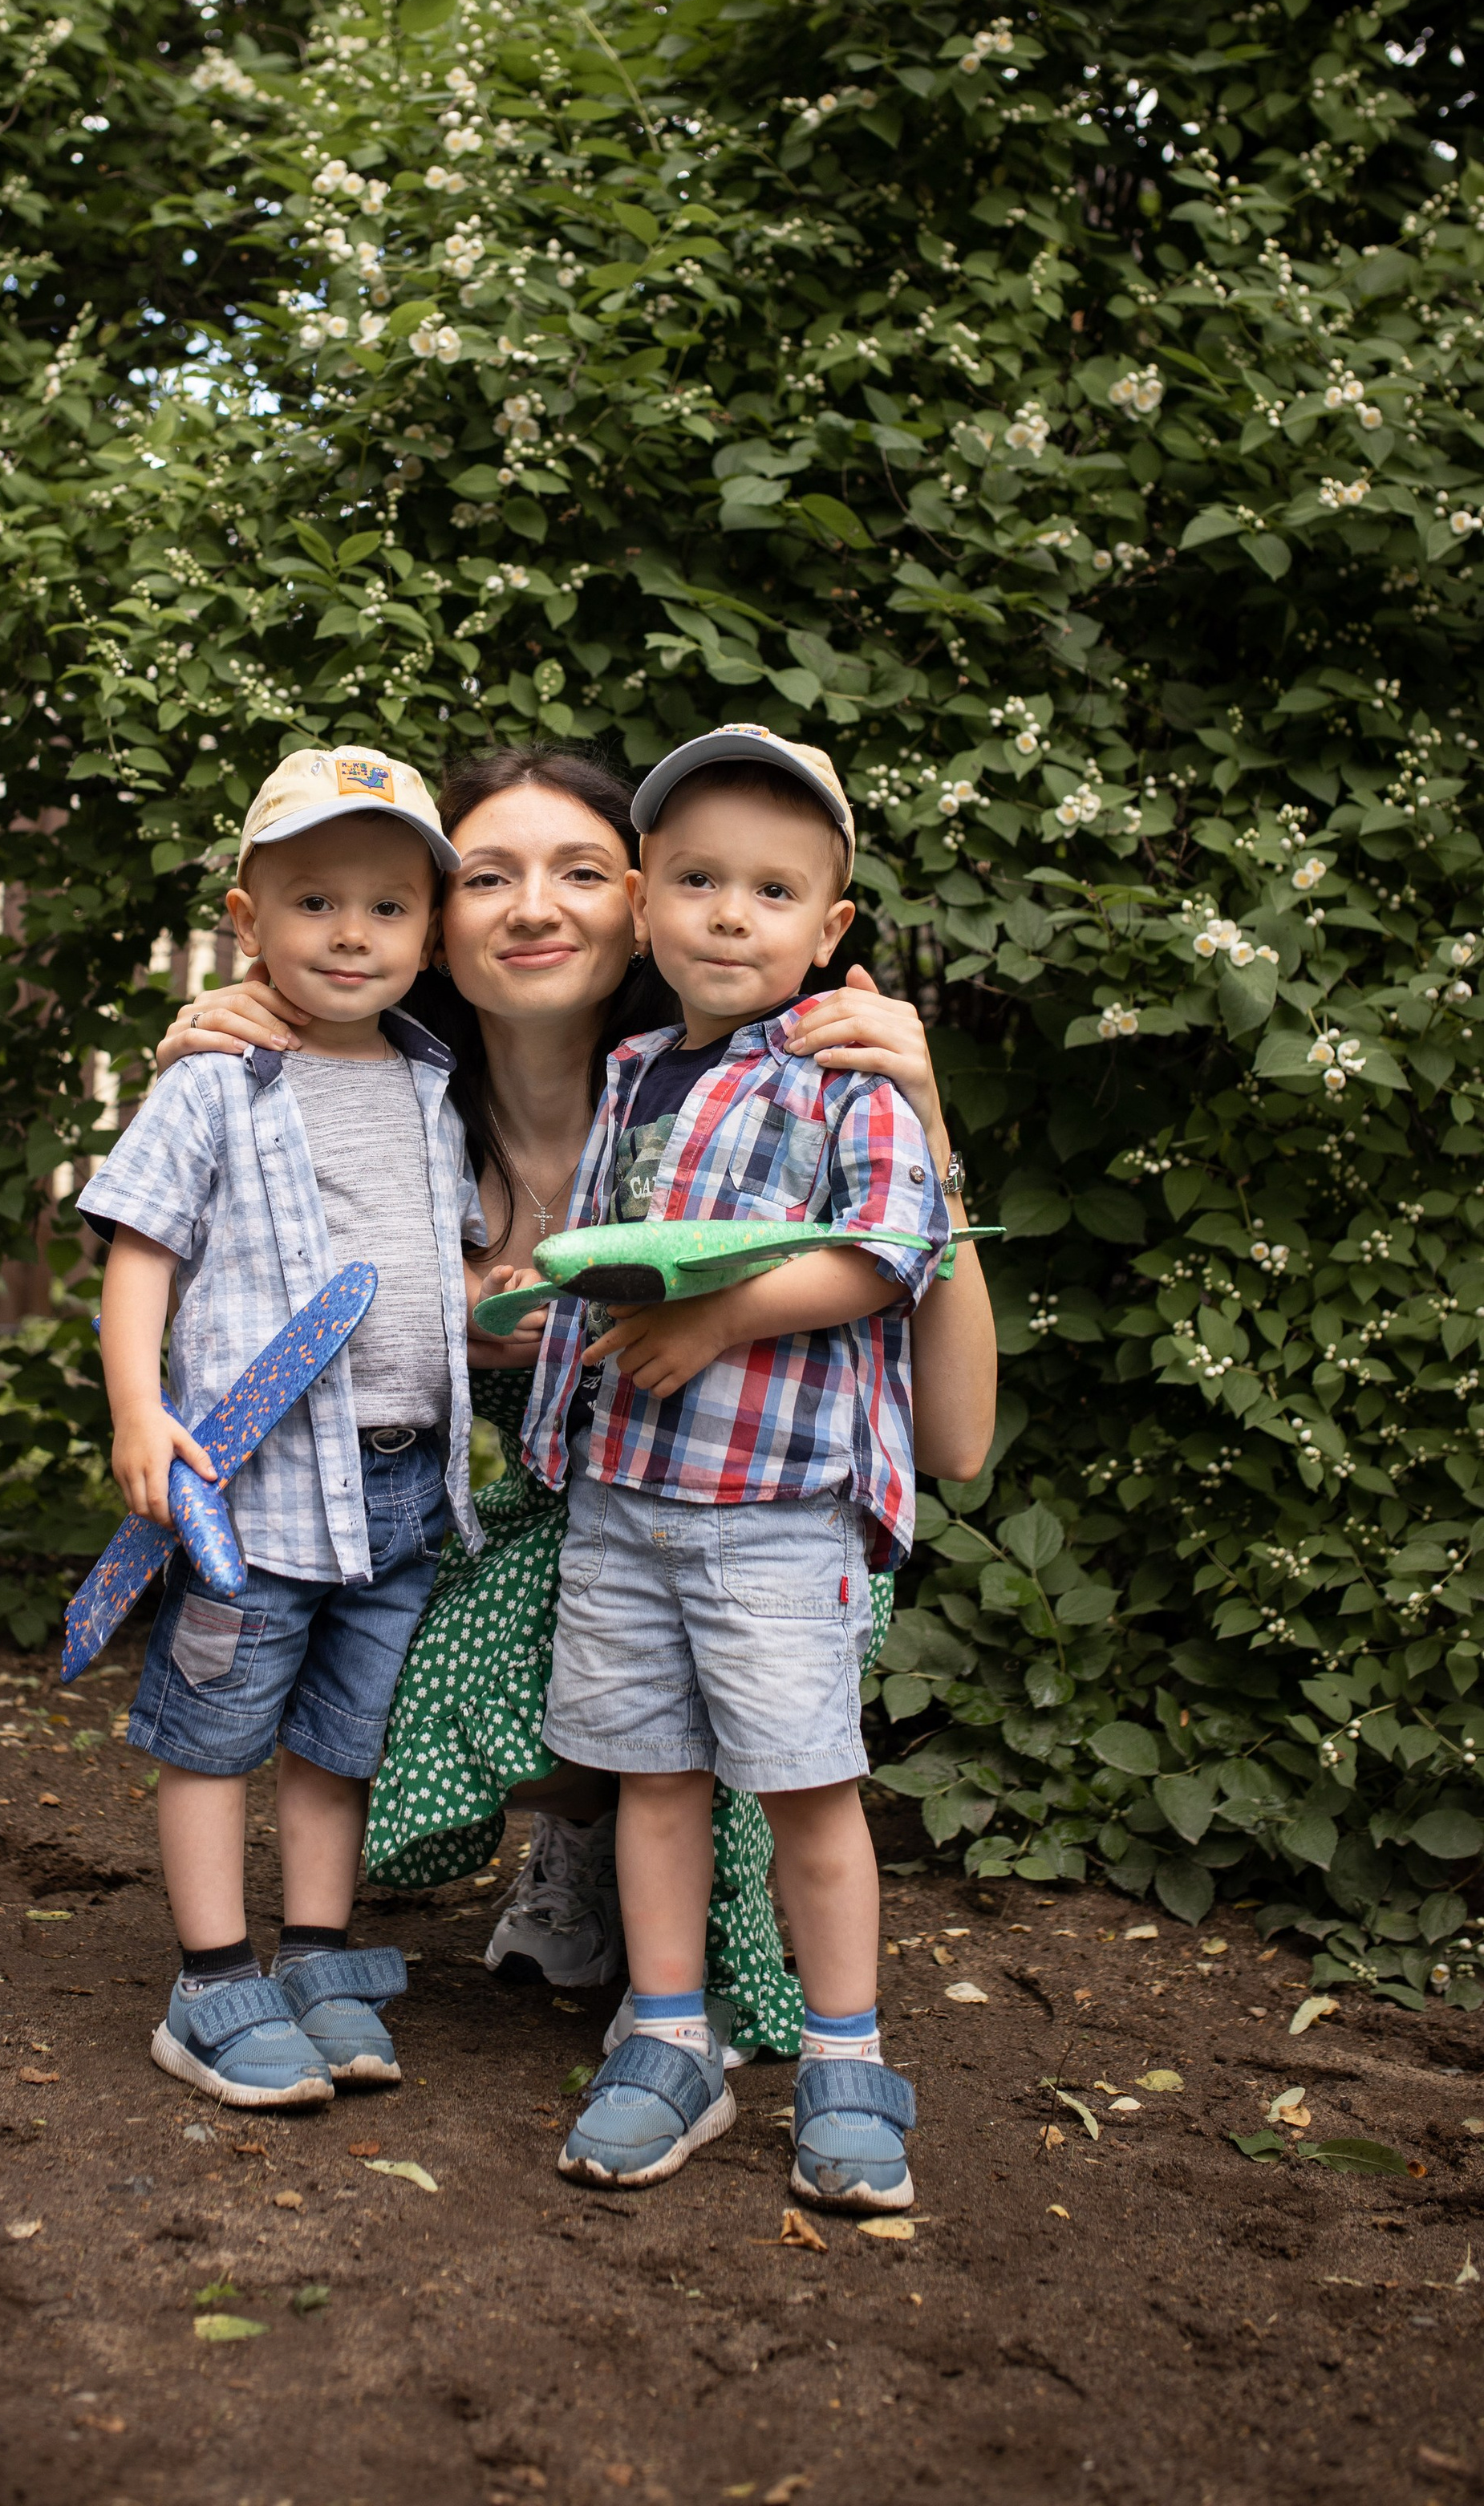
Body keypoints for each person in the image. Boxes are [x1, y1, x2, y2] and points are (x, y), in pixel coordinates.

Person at [152, 742, 997, 2067]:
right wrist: (205, 1065)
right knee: (382, 1625)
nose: (536, 907)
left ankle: (674, 1895)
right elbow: (211, 1278)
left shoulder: (750, 1090)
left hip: (756, 1517)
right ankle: (598, 1838)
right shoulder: (383, 1104)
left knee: (616, 1614)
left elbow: (955, 1441)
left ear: (636, 904)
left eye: (581, 872)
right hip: (551, 1515)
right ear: (435, 922)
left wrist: (929, 1135)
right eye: (490, 876)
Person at [525, 728, 946, 2207]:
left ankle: (845, 2060)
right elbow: (608, 1255)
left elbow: (893, 1246)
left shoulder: (841, 1069)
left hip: (774, 1511)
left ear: (830, 928)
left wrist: (719, 1322)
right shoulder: (635, 1072)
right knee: (655, 1779)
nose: (729, 916)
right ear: (645, 905)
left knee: (809, 1790)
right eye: (698, 881)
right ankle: (667, 2038)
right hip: (626, 1500)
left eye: (773, 892)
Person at [78, 744, 487, 2113]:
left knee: (342, 1736)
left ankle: (313, 1955)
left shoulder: (432, 1085)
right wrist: (138, 1406)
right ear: (247, 920)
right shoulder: (217, 1078)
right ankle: (208, 1982)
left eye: (387, 906)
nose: (351, 933)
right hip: (251, 1487)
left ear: (430, 933)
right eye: (315, 902)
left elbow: (434, 1266)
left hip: (404, 1489)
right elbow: (142, 1243)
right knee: (214, 1729)